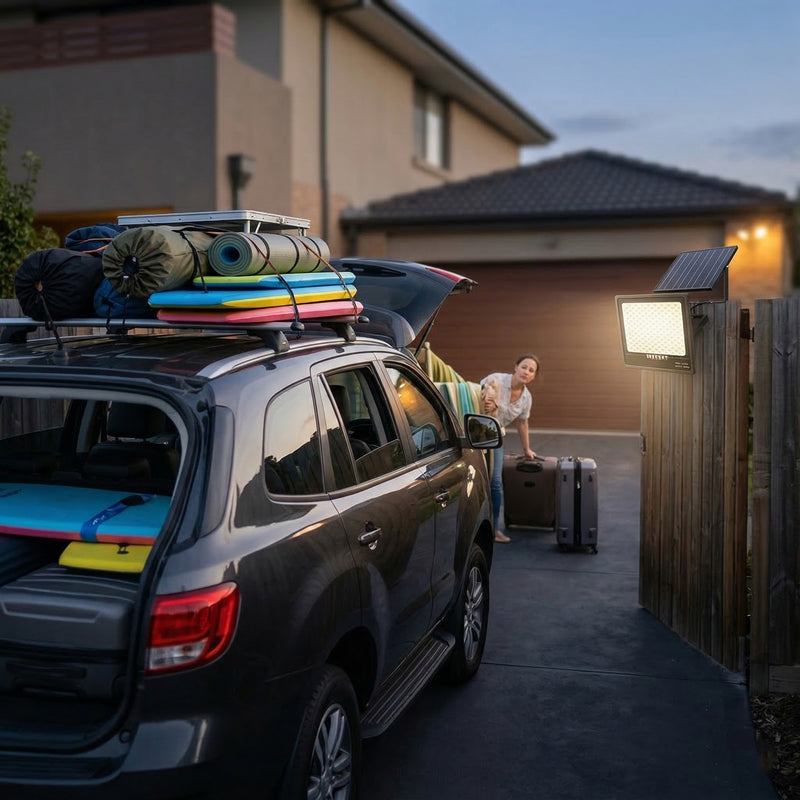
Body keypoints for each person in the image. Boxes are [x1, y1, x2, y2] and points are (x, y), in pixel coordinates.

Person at [481, 354, 539, 543]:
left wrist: (527, 450)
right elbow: (475, 392)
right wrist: (486, 398)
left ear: (533, 376)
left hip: (496, 436)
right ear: (515, 367)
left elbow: (522, 424)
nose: (527, 372)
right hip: (476, 430)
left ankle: (494, 529)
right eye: (524, 367)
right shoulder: (495, 379)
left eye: (531, 370)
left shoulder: (526, 398)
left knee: (496, 483)